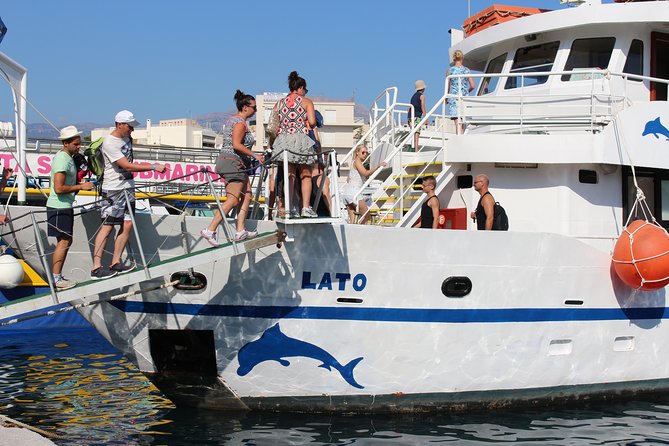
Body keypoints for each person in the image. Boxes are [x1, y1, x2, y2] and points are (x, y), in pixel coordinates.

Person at [91, 110, 167, 280]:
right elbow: (126, 165)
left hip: (128, 188)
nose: (132, 129)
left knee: (127, 224)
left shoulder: (128, 138)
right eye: (129, 126)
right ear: (119, 124)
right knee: (108, 226)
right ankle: (96, 267)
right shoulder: (110, 143)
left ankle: (115, 262)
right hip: (113, 189)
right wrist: (153, 166)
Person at [200, 90, 263, 246]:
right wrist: (255, 156)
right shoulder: (240, 123)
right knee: (233, 200)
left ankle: (240, 230)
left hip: (235, 163)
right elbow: (236, 144)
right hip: (232, 162)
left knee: (247, 195)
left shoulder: (233, 120)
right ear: (245, 107)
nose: (255, 111)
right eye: (254, 108)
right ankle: (210, 229)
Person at [45, 126, 94, 290]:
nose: (79, 147)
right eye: (76, 144)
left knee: (66, 239)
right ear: (66, 143)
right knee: (64, 240)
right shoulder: (63, 159)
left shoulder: (68, 157)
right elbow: (59, 188)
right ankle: (57, 278)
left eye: (79, 144)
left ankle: (58, 277)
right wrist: (81, 186)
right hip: (59, 205)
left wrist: (78, 184)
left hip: (64, 204)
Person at [272, 71, 318, 218]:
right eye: (305, 90)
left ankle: (289, 207)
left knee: (289, 174)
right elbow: (312, 122)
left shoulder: (279, 103)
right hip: (300, 139)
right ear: (301, 88)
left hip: (283, 139)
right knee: (305, 174)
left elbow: (273, 124)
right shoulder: (306, 102)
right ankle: (305, 207)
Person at [342, 144, 386, 224]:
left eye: (367, 153)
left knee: (352, 221)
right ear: (357, 152)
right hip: (354, 192)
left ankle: (353, 234)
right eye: (363, 152)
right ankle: (359, 230)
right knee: (367, 216)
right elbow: (365, 173)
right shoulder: (357, 161)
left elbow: (348, 179)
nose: (365, 154)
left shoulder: (353, 162)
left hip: (347, 193)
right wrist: (378, 166)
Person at [446, 50, 475, 134]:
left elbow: (447, 86)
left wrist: (446, 98)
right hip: (464, 98)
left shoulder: (450, 70)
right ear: (462, 58)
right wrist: (466, 91)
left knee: (457, 123)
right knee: (463, 123)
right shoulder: (467, 70)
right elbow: (473, 85)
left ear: (454, 59)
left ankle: (459, 140)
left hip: (454, 98)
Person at [409, 80, 426, 151]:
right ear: (423, 89)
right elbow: (422, 106)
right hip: (417, 116)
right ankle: (416, 149)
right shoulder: (422, 96)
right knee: (417, 133)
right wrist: (425, 117)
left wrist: (408, 117)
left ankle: (413, 147)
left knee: (413, 133)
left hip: (411, 116)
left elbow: (409, 107)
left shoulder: (413, 96)